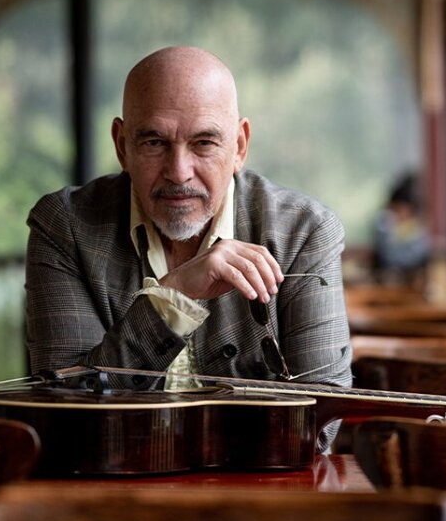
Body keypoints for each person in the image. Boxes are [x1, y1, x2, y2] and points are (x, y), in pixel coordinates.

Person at [25, 46, 352, 450]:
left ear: (240, 146)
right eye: (154, 143)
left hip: (260, 500)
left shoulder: (303, 231)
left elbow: (321, 428)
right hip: (108, 498)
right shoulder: (66, 226)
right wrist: (174, 298)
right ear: (122, 145)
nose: (179, 172)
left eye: (203, 143)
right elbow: (63, 417)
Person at [372, 172, 429, 282]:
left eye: (399, 210)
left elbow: (399, 259)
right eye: (393, 209)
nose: (396, 214)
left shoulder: (418, 231)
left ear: (411, 210)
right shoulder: (386, 225)